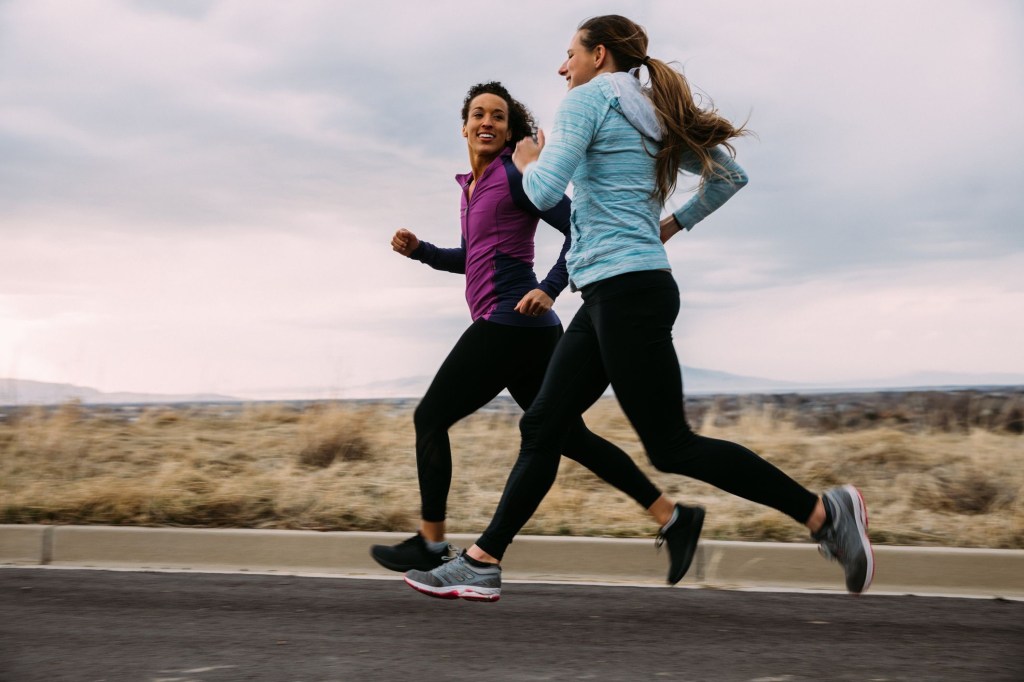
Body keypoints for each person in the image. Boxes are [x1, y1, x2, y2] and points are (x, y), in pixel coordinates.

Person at [405, 15, 874, 602]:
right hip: (610, 291)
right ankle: (482, 560)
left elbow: (543, 192)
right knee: (543, 424)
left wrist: (526, 161)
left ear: (599, 54)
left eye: (570, 54)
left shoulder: (587, 100)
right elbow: (730, 177)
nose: (562, 67)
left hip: (626, 293)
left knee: (670, 445)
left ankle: (824, 514)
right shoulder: (650, 111)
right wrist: (670, 225)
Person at [371, 81, 700, 585]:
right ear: (464, 127)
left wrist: (550, 287)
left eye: (498, 116)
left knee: (430, 417)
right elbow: (473, 258)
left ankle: (432, 543)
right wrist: (421, 251)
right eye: (478, 114)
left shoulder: (514, 176)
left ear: (509, 132)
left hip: (509, 323)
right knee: (569, 436)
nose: (487, 121)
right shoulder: (473, 186)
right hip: (528, 331)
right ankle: (672, 517)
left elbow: (578, 226)